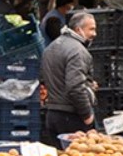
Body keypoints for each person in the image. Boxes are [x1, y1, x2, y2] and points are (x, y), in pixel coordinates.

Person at [39, 11, 98, 148]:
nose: (95, 33)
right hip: (71, 116)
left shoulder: (51, 47)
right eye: (91, 29)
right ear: (78, 30)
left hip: (52, 114)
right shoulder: (78, 51)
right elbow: (75, 87)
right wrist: (87, 115)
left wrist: (88, 85)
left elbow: (46, 78)